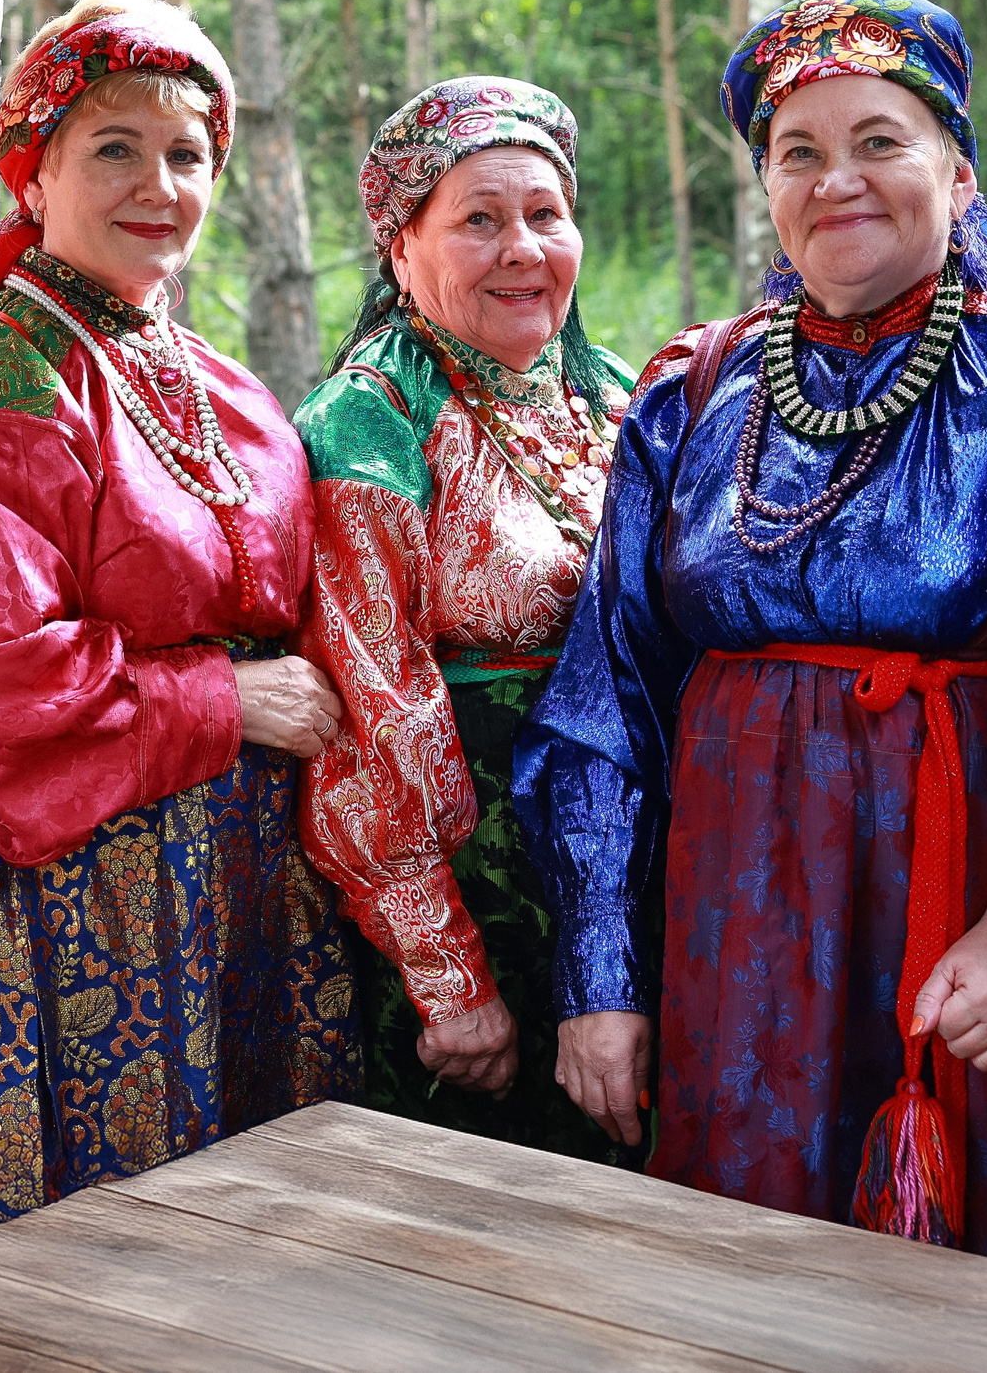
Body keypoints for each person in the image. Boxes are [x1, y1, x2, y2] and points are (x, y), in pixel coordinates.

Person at [514, 0, 987, 1258]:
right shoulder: (691, 387)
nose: (837, 179)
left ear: (959, 171)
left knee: (978, 1288)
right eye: (799, 152)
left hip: (962, 911)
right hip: (732, 922)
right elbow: (606, 697)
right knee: (742, 1264)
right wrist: (602, 977)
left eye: (879, 141)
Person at [0, 0, 357, 1223]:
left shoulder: (210, 376)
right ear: (34, 172)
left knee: (276, 1216)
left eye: (187, 155)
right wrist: (227, 698)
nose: (159, 185)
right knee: (131, 1234)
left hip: (246, 864)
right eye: (115, 149)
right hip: (101, 885)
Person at [292, 78, 639, 1162]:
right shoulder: (372, 417)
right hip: (479, 896)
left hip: (630, 869)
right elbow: (369, 705)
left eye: (545, 213)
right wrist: (448, 975)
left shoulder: (613, 393)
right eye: (479, 219)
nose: (522, 248)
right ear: (402, 250)